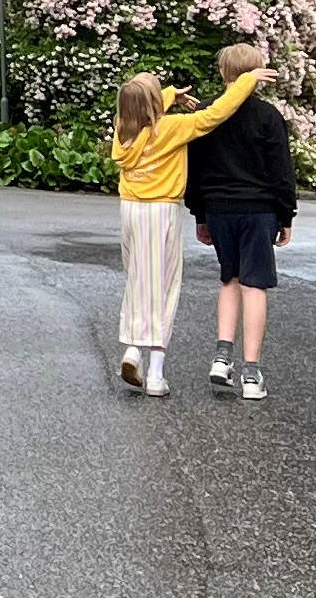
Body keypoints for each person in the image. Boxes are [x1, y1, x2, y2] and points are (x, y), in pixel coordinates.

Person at [106, 55, 264, 397]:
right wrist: (246, 82)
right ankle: (156, 374)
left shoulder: (124, 131)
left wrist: (167, 95)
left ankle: (133, 348)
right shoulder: (172, 128)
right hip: (160, 210)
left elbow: (141, 107)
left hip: (130, 209)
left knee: (137, 279)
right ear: (154, 104)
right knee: (164, 286)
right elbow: (215, 114)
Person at [182, 39, 297, 400]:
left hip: (218, 208)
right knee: (254, 285)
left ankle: (221, 357)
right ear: (258, 75)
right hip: (258, 209)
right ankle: (251, 373)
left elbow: (194, 168)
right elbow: (281, 171)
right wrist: (286, 214)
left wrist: (200, 213)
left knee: (229, 280)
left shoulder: (205, 113)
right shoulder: (268, 117)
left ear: (222, 73)